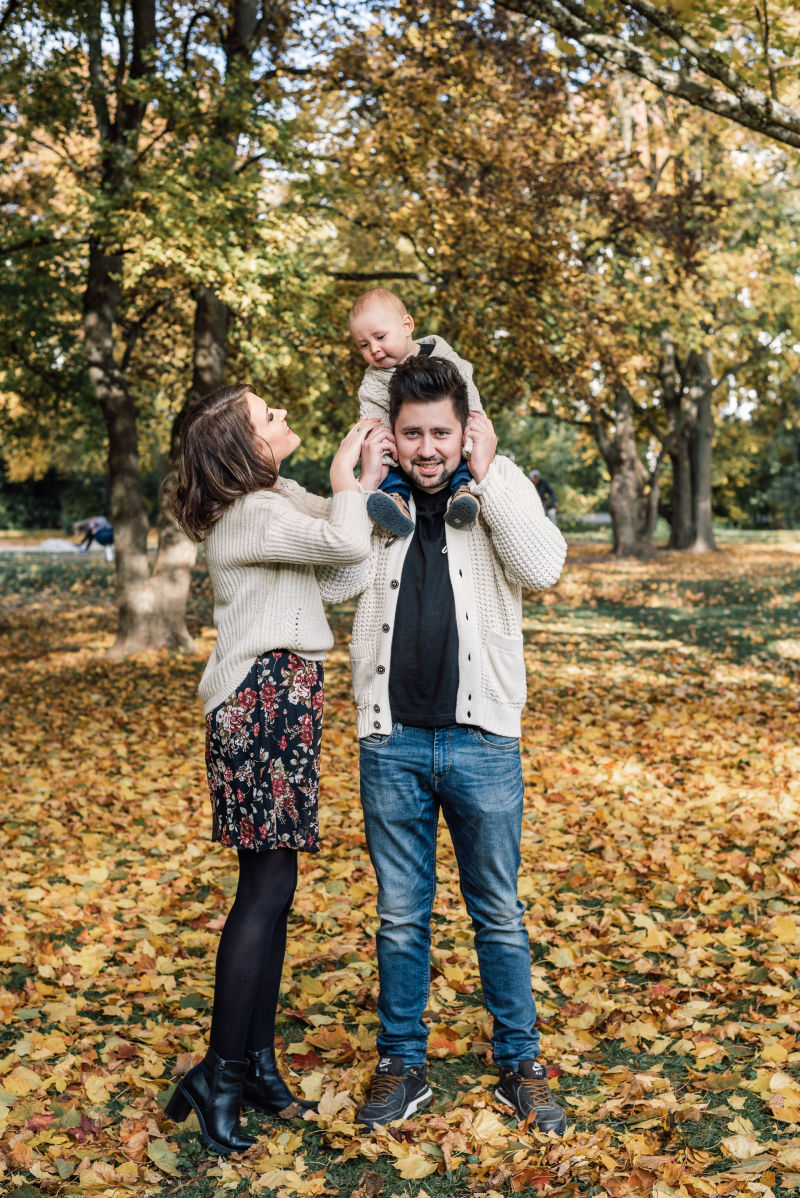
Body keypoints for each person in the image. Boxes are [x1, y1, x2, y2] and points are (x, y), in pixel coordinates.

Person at [325, 355, 569, 1134]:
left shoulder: (496, 487)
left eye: (441, 432)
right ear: (391, 437)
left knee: (497, 911)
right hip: (390, 742)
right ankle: (402, 1062)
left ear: (466, 432)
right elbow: (331, 587)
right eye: (412, 434)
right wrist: (355, 491)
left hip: (482, 741)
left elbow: (545, 566)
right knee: (401, 915)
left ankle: (520, 1064)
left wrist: (493, 480)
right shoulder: (380, 503)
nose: (427, 448)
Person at [164, 383, 382, 1155]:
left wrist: (360, 481)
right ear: (241, 448)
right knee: (263, 890)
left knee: (277, 886)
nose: (284, 418)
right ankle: (219, 1074)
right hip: (260, 698)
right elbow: (349, 541)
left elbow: (339, 540)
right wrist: (350, 485)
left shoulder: (274, 499)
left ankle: (252, 1063)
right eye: (269, 418)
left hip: (281, 696)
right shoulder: (253, 515)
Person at [349, 287, 484, 537]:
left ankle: (464, 495)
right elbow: (373, 422)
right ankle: (396, 503)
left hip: (456, 448)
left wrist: (474, 432)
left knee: (466, 461)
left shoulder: (445, 357)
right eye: (364, 345)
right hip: (400, 453)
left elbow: (468, 394)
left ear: (407, 325)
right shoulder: (373, 384)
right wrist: (382, 457)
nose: (375, 349)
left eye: (380, 337)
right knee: (388, 473)